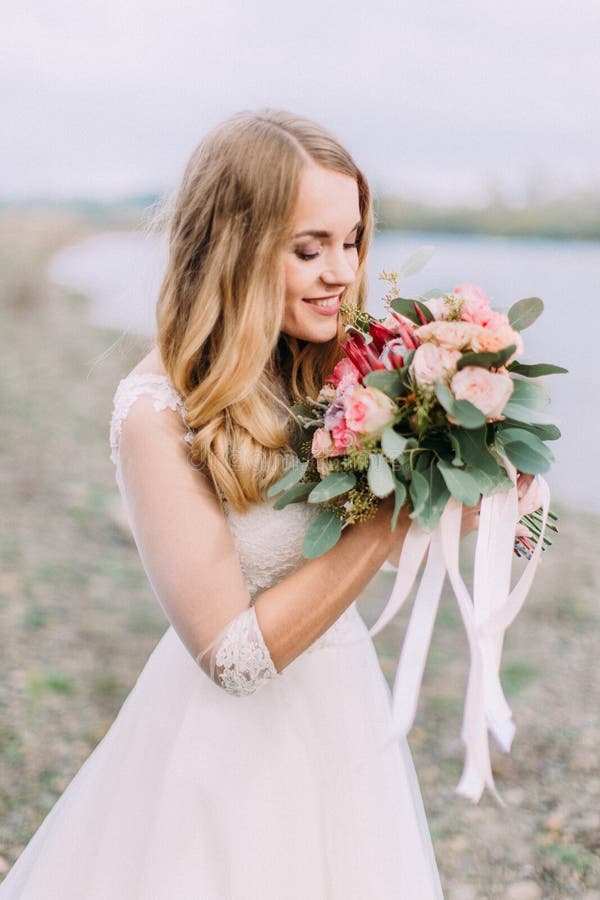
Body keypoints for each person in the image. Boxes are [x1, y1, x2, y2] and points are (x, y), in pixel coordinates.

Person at [0, 109, 471, 898]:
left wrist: (475, 481)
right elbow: (233, 657)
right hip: (226, 751)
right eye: (307, 249)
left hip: (343, 714)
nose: (340, 272)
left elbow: (394, 539)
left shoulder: (337, 371)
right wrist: (391, 515)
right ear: (235, 248)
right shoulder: (156, 412)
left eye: (351, 241)